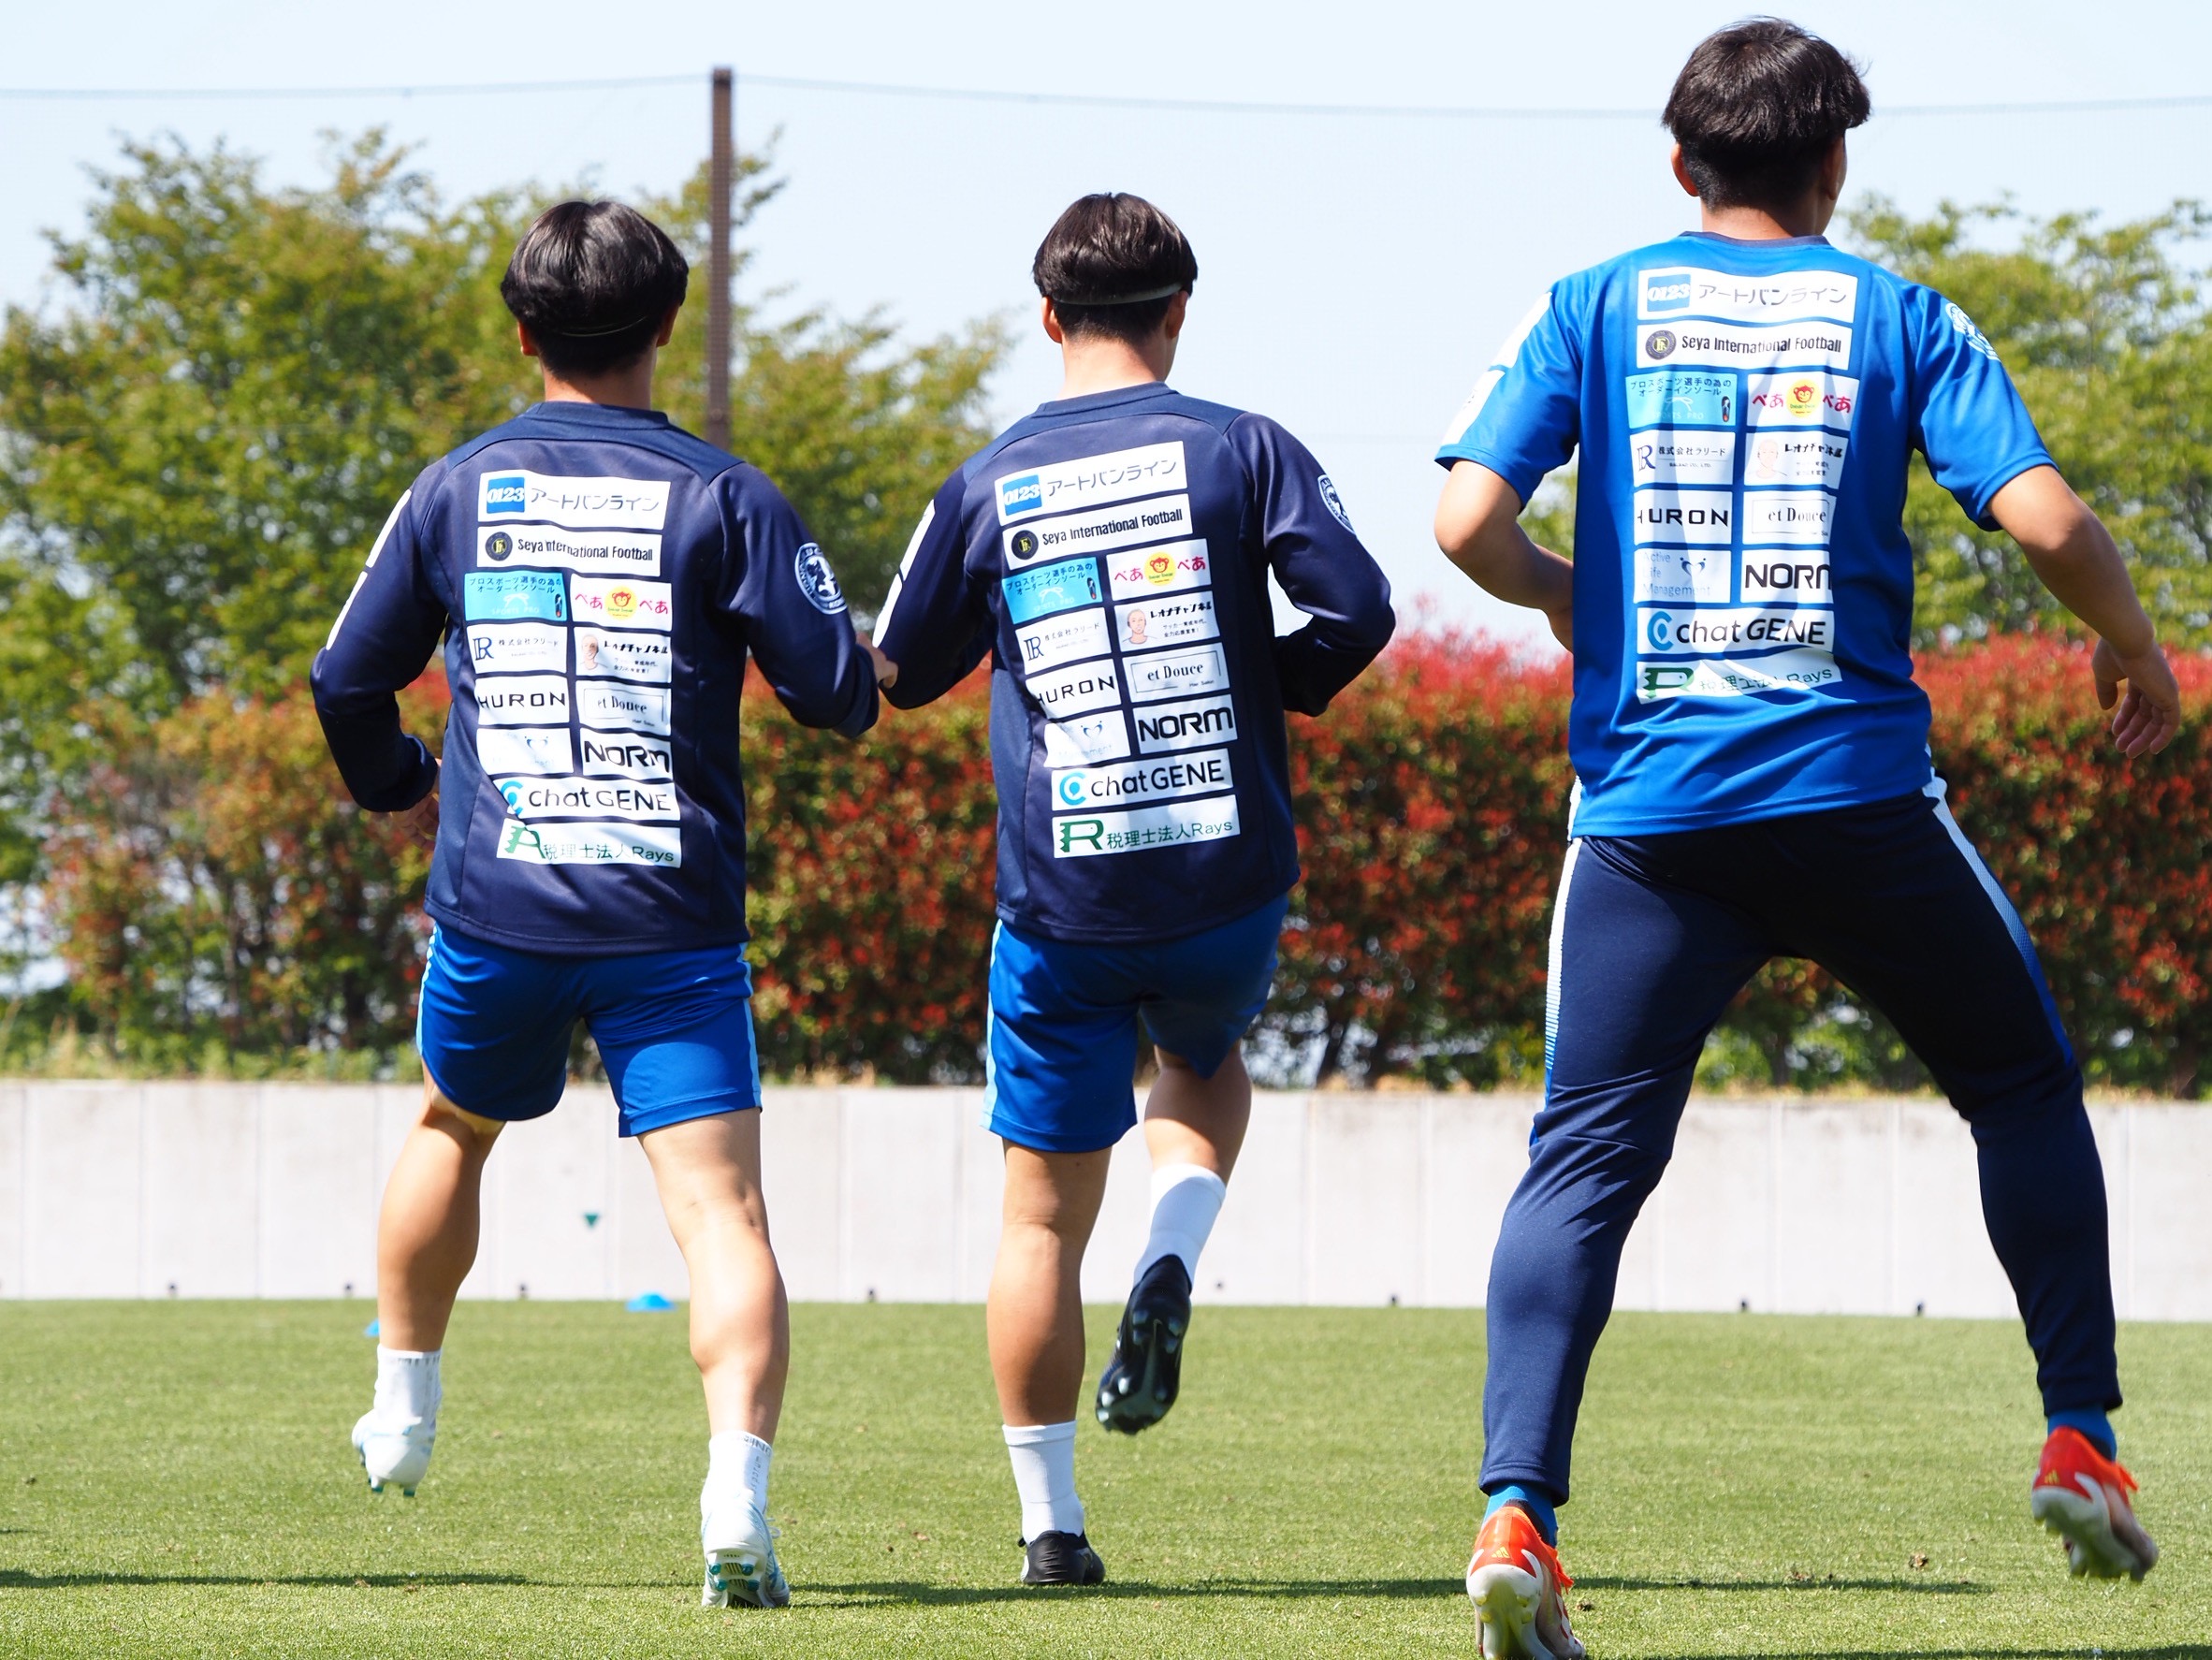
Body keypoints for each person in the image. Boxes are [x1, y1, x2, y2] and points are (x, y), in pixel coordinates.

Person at [1433, 20, 2177, 1656]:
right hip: (1859, 805)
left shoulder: (1591, 303)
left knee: (1583, 1159)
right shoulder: (1901, 315)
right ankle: (2079, 1435)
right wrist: (2134, 648)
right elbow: (2046, 517)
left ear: (1682, 165)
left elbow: (1466, 520)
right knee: (2021, 1086)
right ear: (1836, 164)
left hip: (1649, 823)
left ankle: (1516, 1513)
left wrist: (1565, 594)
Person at [312, 199, 884, 1610]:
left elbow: (344, 676)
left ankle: (402, 1409)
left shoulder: (454, 488)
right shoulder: (726, 495)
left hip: (495, 912)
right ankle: (734, 1494)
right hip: (669, 924)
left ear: (523, 335)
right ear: (668, 325)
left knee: (452, 1126)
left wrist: (404, 783)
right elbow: (838, 693)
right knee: (723, 1214)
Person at [871, 193, 1395, 1586]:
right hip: (1226, 878)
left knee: (1041, 1215)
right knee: (1205, 1065)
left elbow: (897, 670)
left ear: (1049, 316)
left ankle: (1052, 1528)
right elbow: (1360, 606)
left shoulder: (985, 482)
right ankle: (1174, 1250)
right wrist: (1272, 688)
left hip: (1062, 902)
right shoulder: (1244, 446)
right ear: (1178, 312)